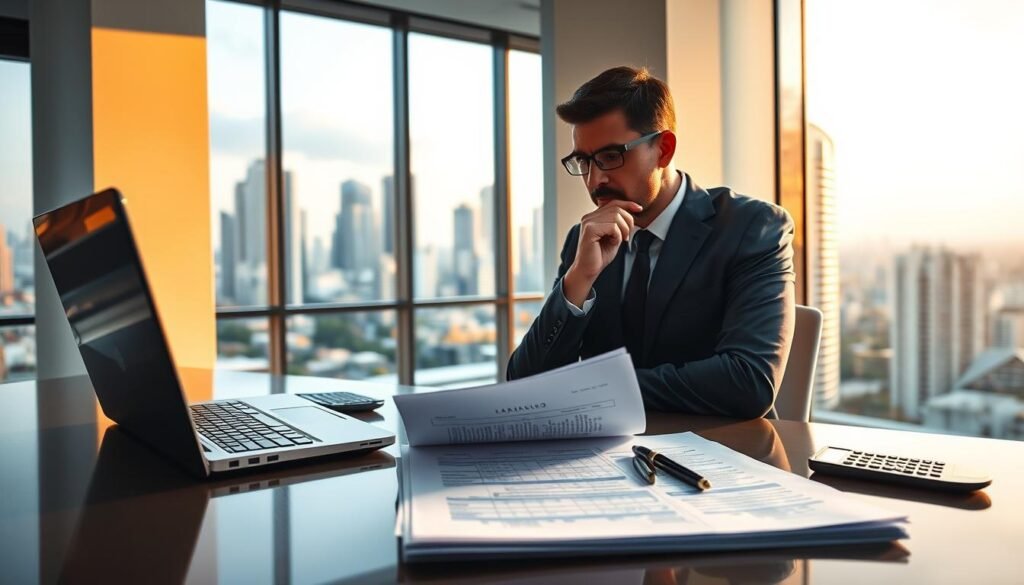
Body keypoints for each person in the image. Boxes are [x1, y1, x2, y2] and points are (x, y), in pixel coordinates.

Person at [507, 66, 795, 419]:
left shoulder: (752, 228)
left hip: (724, 455)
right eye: (584, 161)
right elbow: (526, 383)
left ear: (663, 149)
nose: (596, 179)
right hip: (609, 458)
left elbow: (749, 382)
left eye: (611, 156)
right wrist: (579, 278)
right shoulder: (583, 243)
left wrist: (591, 390)